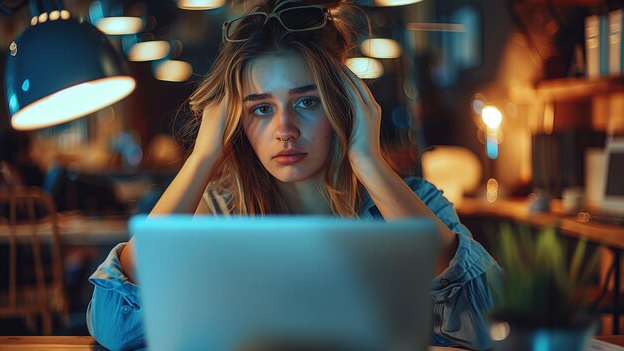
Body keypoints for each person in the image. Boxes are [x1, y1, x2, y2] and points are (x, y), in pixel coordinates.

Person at [87, 0, 501, 350]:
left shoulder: (412, 204)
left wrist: (369, 160)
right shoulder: (215, 215)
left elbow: (492, 320)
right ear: (237, 120)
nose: (285, 129)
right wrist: (202, 158)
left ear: (345, 105)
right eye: (261, 108)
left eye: (307, 102)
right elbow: (113, 323)